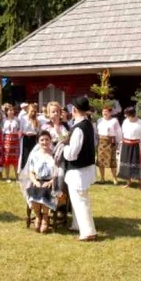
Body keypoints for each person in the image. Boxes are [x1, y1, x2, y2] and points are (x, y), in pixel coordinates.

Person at [63, 97, 97, 241]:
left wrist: (64, 146)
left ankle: (88, 232)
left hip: (79, 170)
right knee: (80, 199)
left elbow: (72, 154)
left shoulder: (79, 128)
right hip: (86, 168)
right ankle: (77, 225)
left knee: (81, 200)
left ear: (74, 110)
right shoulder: (88, 124)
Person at [22, 130, 61, 233]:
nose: (45, 142)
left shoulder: (54, 155)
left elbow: (59, 172)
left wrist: (51, 181)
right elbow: (31, 172)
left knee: (44, 191)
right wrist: (35, 181)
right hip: (37, 181)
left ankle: (45, 218)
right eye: (42, 140)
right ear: (38, 141)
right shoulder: (34, 156)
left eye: (47, 139)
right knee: (33, 191)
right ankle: (38, 215)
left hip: (51, 183)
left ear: (50, 140)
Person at [119, 107, 141, 188]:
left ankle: (140, 182)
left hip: (136, 145)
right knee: (126, 162)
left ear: (131, 114)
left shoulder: (140, 122)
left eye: (126, 114)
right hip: (126, 144)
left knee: (136, 163)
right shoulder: (125, 121)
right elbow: (122, 132)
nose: (125, 116)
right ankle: (128, 182)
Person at [96, 105, 122, 184]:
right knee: (101, 161)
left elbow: (118, 132)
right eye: (103, 111)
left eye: (106, 111)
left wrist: (118, 142)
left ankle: (114, 178)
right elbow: (96, 131)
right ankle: (102, 178)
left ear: (110, 112)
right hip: (101, 142)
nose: (104, 113)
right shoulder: (99, 120)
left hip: (111, 142)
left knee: (112, 161)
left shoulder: (114, 120)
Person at [19, 104, 40, 172]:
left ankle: (32, 171)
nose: (33, 113)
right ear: (28, 110)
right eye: (31, 111)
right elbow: (21, 129)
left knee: (33, 155)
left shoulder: (36, 120)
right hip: (25, 137)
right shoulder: (23, 118)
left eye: (34, 111)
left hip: (33, 138)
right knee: (25, 155)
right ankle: (24, 171)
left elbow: (37, 130)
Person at [2, 106, 21, 182]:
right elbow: (2, 130)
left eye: (12, 110)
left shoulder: (17, 120)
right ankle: (7, 177)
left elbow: (19, 129)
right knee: (7, 159)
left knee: (15, 159)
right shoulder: (4, 120)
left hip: (15, 139)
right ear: (6, 112)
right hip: (7, 139)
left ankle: (17, 177)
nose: (11, 112)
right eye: (9, 110)